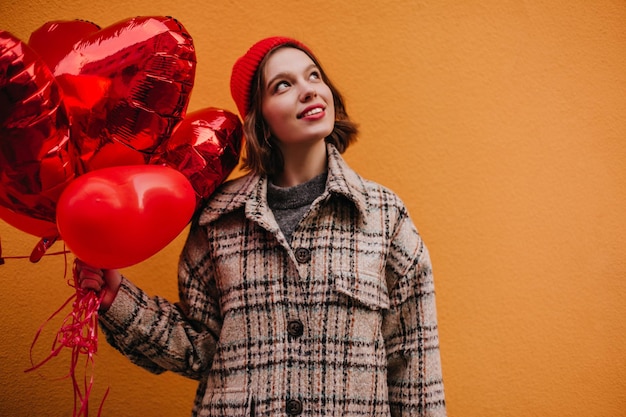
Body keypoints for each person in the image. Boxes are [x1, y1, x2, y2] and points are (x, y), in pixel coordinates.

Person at [75, 36, 447, 417]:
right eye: (283, 85)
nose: (308, 91)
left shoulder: (384, 215)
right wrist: (117, 299)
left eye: (313, 76)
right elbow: (199, 349)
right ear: (260, 118)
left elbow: (414, 363)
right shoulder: (218, 219)